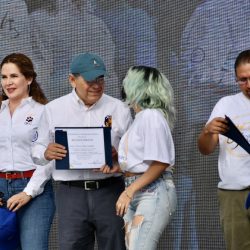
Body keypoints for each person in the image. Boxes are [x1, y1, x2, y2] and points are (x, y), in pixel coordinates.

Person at [31, 52, 132, 250]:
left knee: (116, 245)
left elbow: (133, 154)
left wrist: (118, 156)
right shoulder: (53, 109)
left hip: (111, 191)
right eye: (90, 79)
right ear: (72, 80)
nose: (97, 85)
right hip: (71, 194)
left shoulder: (119, 109)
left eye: (100, 78)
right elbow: (36, 149)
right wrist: (46, 153)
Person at [104, 66, 177, 250]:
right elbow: (143, 162)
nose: (123, 82)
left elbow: (160, 162)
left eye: (127, 78)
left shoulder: (151, 116)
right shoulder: (141, 117)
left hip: (151, 191)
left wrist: (129, 191)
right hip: (138, 189)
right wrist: (118, 168)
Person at [0, 53, 55, 250]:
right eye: (4, 77)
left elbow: (49, 158)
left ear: (29, 78)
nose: (8, 82)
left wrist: (28, 193)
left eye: (14, 76)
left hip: (34, 192)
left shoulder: (43, 111)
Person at [198, 49, 250, 250]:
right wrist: (206, 131)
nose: (248, 85)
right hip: (233, 193)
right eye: (242, 80)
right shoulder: (225, 104)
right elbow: (205, 149)